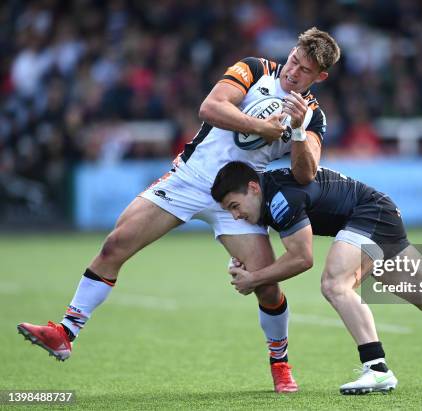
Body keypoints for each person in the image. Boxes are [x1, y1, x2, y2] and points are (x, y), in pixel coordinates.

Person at [17, 27, 341, 394]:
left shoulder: (312, 115)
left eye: (304, 70)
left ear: (320, 77)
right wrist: (261, 128)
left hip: (238, 201)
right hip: (189, 179)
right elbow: (210, 108)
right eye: (294, 59)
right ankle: (65, 332)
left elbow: (306, 172)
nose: (293, 71)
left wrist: (296, 132)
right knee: (115, 245)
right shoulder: (256, 69)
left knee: (266, 286)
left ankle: (280, 364)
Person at [211, 161, 422, 394]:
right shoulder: (270, 194)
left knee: (335, 284)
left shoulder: (280, 199)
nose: (235, 215)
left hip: (368, 214)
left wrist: (253, 280)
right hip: (379, 213)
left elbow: (302, 258)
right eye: (229, 211)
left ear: (254, 188)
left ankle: (377, 369)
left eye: (235, 205)